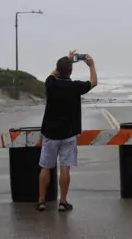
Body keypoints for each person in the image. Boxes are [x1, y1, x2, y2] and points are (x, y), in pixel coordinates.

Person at [36, 50, 98, 212]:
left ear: (58, 69)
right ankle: (63, 201)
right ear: (70, 71)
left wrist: (68, 60)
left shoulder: (51, 83)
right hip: (68, 133)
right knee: (65, 168)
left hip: (50, 133)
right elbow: (93, 82)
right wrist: (91, 65)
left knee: (45, 167)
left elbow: (53, 73)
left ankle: (41, 200)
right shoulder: (75, 86)